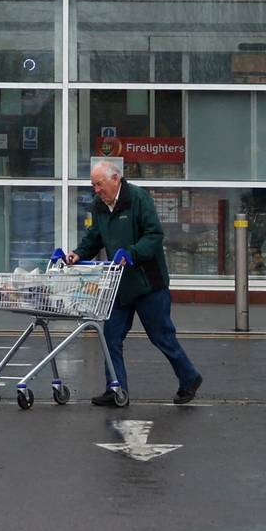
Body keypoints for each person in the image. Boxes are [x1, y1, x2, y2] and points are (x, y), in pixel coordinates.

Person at [68, 155, 202, 408]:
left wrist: (131, 253)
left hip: (148, 283)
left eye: (99, 184)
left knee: (161, 336)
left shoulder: (138, 198)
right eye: (93, 185)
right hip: (119, 285)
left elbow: (154, 235)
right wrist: (78, 254)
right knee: (110, 336)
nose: (96, 190)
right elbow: (95, 236)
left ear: (115, 179)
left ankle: (189, 377)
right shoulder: (99, 205)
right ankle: (115, 389)